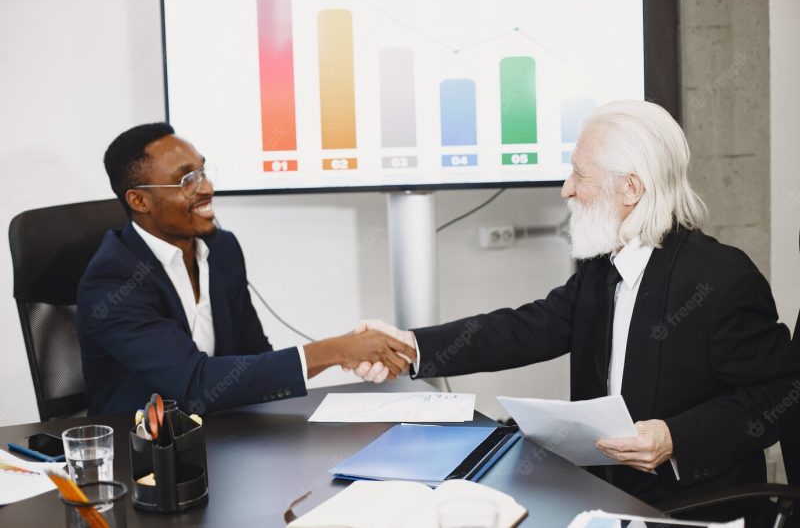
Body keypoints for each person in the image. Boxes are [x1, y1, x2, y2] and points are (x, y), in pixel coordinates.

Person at [355, 100, 800, 520]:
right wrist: (411, 346)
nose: (567, 189)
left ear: (631, 187)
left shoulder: (722, 277)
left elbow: (779, 393)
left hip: (688, 506)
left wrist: (674, 438)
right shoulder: (603, 265)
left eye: (578, 174)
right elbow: (530, 327)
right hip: (598, 493)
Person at [77, 123, 415, 415]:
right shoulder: (112, 280)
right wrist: (335, 350)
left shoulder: (222, 249)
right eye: (186, 181)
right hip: (142, 457)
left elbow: (254, 355)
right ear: (139, 201)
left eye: (203, 172)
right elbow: (194, 383)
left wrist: (345, 355)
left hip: (223, 433)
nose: (206, 188)